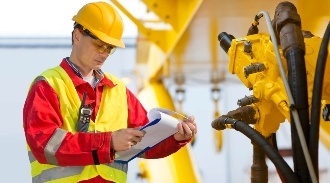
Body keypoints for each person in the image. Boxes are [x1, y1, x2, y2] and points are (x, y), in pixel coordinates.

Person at [22, 1, 197, 183]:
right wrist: (109, 143)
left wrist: (175, 137)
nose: (104, 53)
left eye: (109, 48)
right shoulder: (47, 86)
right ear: (77, 36)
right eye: (99, 45)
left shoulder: (118, 90)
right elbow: (44, 145)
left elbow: (145, 143)